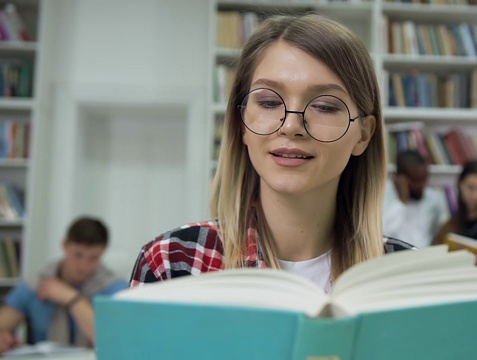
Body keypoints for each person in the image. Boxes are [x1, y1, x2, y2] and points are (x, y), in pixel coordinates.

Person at [129, 14, 412, 291]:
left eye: (325, 106)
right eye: (268, 102)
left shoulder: (406, 280)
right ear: (242, 122)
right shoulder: (173, 264)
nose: (291, 126)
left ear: (363, 133)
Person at [0, 217, 128, 353]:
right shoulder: (37, 285)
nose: (83, 265)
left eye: (93, 258)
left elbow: (112, 341)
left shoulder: (115, 289)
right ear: (64, 245)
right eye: (78, 255)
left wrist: (72, 298)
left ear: (103, 251)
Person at [383, 150, 447, 248]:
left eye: (424, 179)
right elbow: (382, 232)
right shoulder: (384, 193)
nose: (422, 186)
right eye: (416, 181)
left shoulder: (432, 198)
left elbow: (436, 234)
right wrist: (401, 202)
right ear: (400, 178)